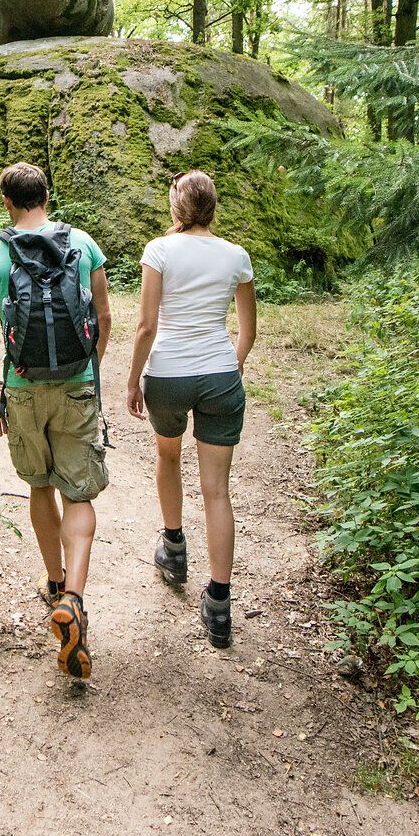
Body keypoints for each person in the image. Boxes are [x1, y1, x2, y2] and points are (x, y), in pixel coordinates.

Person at [0, 162, 112, 679]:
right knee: (79, 493)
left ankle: (53, 583)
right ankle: (73, 598)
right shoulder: (84, 244)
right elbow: (104, 315)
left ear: (6, 202)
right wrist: (88, 372)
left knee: (39, 484)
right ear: (46, 196)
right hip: (75, 383)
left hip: (24, 387)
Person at [124, 170, 256, 649]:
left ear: (177, 208)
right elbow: (247, 330)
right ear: (213, 207)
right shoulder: (236, 256)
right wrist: (231, 366)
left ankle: (174, 549)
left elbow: (146, 325)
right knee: (217, 491)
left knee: (168, 456)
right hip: (220, 375)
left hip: (168, 376)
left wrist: (132, 379)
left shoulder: (159, 250)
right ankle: (219, 605)